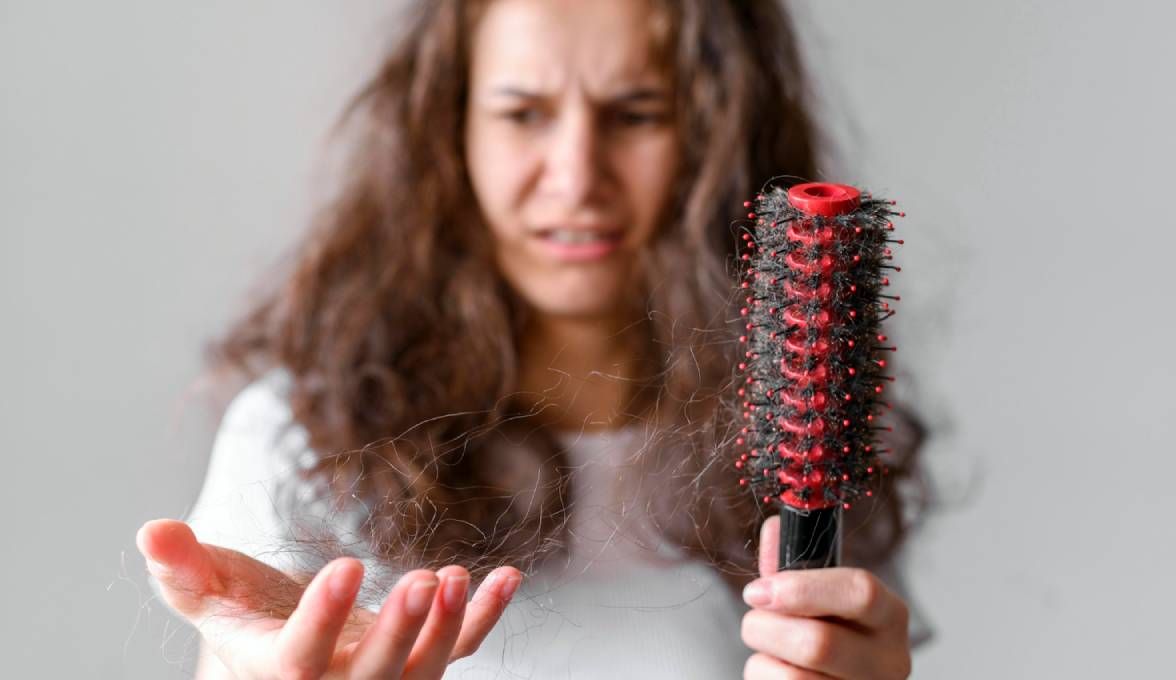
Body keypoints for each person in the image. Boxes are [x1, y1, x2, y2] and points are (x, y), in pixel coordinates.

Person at [137, 0, 927, 677]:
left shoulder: (813, 436)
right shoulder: (297, 439)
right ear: (452, 133)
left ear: (718, 135)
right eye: (523, 114)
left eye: (635, 114)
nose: (577, 175)